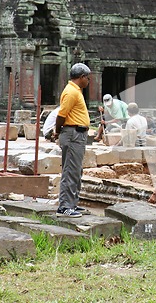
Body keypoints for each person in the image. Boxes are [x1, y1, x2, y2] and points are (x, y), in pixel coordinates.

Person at [52, 63, 91, 217]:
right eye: (87, 78)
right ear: (81, 77)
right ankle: (64, 207)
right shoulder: (71, 92)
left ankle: (72, 203)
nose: (88, 81)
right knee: (70, 170)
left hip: (78, 133)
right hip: (73, 133)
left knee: (76, 170)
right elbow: (61, 115)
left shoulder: (76, 91)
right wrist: (57, 131)